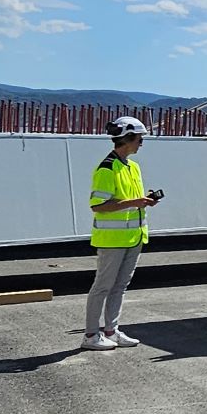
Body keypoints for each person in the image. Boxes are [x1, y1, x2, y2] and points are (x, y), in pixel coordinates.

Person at [84, 116, 164, 349]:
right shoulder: (107, 169)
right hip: (112, 240)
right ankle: (90, 335)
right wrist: (133, 202)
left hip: (134, 237)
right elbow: (97, 205)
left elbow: (130, 201)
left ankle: (111, 330)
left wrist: (144, 201)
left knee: (119, 287)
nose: (141, 144)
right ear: (128, 139)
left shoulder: (132, 167)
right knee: (102, 287)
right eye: (140, 139)